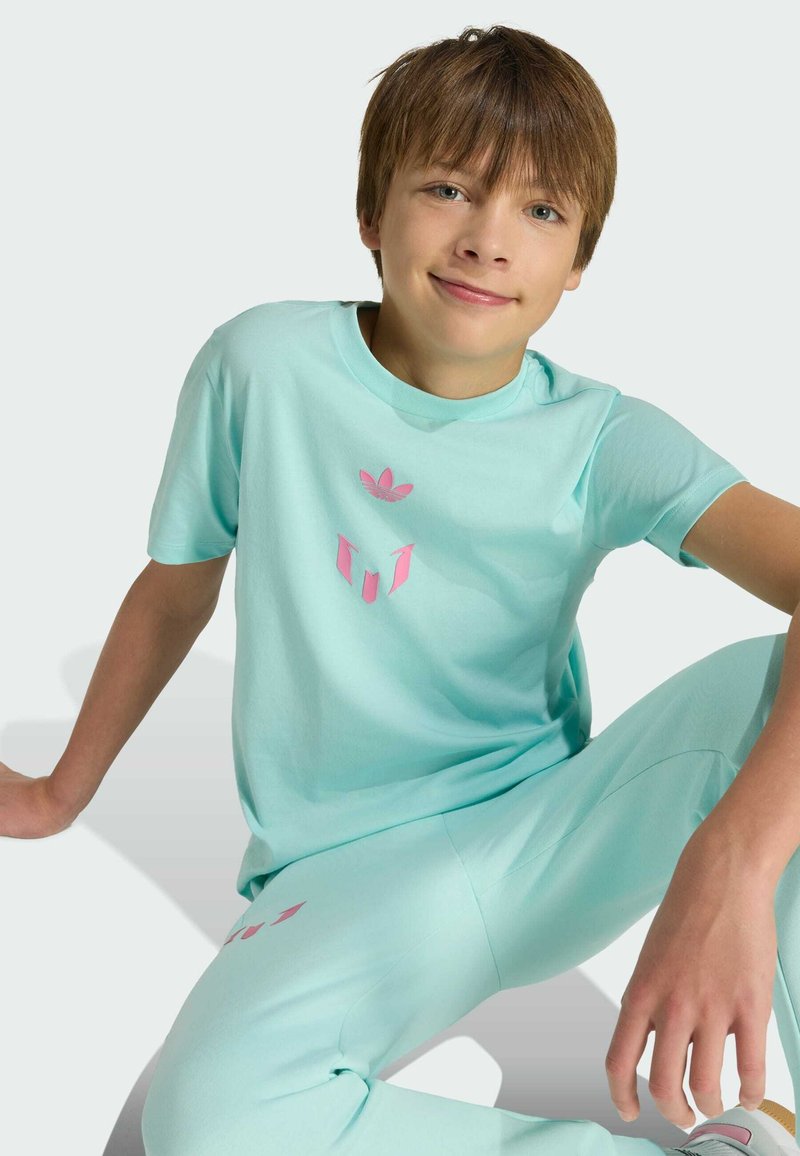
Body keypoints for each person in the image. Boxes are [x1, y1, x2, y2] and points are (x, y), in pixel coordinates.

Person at [2, 23, 800, 1156]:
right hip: (342, 876)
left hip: (540, 841)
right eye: (447, 189)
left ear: (578, 261)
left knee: (771, 690)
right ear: (370, 212)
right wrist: (58, 794)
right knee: (206, 1123)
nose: (486, 241)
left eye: (540, 211)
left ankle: (776, 1093)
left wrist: (734, 859)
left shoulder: (601, 437)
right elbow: (176, 590)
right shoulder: (261, 367)